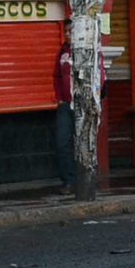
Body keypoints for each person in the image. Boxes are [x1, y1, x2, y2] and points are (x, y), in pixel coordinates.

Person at [52, 40, 77, 189]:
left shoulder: (86, 50)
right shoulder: (62, 52)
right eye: (66, 31)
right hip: (66, 105)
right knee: (62, 142)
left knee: (83, 143)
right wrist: (60, 99)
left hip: (81, 104)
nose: (68, 34)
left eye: (70, 30)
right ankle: (68, 180)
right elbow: (56, 77)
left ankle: (85, 179)